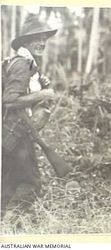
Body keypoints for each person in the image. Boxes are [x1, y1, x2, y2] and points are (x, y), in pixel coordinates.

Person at [1, 16, 57, 221]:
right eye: (37, 39)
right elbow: (9, 101)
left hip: (10, 132)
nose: (42, 43)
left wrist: (40, 84)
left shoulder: (26, 65)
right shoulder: (22, 65)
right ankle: (11, 218)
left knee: (10, 180)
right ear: (24, 42)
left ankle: (5, 220)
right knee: (31, 182)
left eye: (44, 38)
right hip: (16, 131)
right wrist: (43, 94)